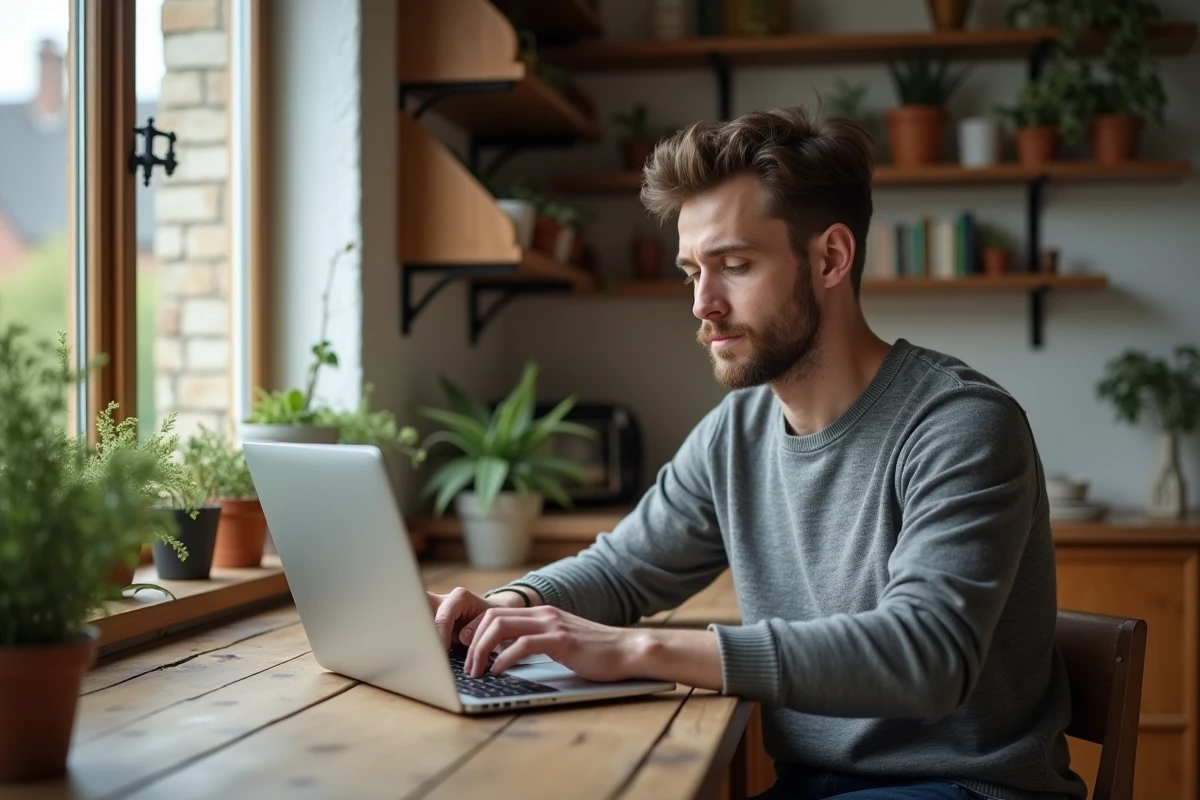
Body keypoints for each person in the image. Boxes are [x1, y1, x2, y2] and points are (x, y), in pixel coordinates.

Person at [427, 106, 1086, 800]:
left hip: (964, 791)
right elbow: (624, 570)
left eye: (734, 265)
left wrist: (635, 649)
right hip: (814, 786)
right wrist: (509, 606)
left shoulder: (961, 425)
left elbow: (925, 655)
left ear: (830, 257)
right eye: (691, 272)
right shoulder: (738, 431)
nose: (702, 304)